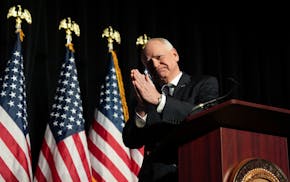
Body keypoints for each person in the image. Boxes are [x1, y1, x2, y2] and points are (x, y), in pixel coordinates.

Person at [122, 38, 219, 182]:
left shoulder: (204, 84)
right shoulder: (146, 95)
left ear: (175, 55)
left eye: (158, 57)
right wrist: (141, 108)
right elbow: (131, 140)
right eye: (148, 62)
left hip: (192, 172)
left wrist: (160, 101)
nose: (154, 64)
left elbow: (204, 118)